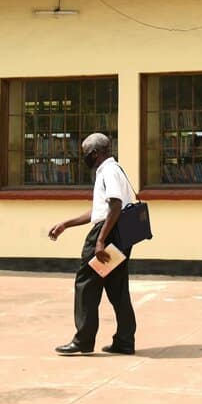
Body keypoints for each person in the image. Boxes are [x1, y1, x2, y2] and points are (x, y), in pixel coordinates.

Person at [48, 133, 137, 355]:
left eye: (85, 154)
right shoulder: (113, 170)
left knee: (86, 284)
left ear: (95, 153)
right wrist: (66, 224)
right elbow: (101, 211)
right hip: (119, 233)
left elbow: (115, 206)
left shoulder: (108, 171)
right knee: (117, 288)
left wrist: (99, 241)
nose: (84, 158)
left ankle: (83, 341)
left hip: (107, 235)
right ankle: (124, 341)